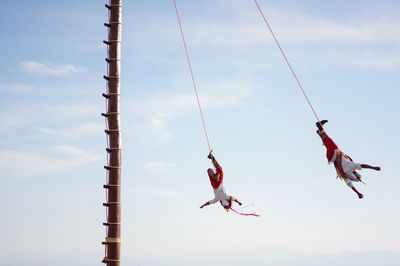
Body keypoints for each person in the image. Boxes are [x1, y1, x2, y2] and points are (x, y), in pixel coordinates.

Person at [316, 120, 381, 199]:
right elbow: (351, 185)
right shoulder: (345, 176)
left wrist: (374, 168)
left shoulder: (351, 168)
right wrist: (358, 193)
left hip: (334, 153)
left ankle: (319, 127)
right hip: (332, 156)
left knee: (329, 142)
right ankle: (320, 130)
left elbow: (363, 165)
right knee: (328, 142)